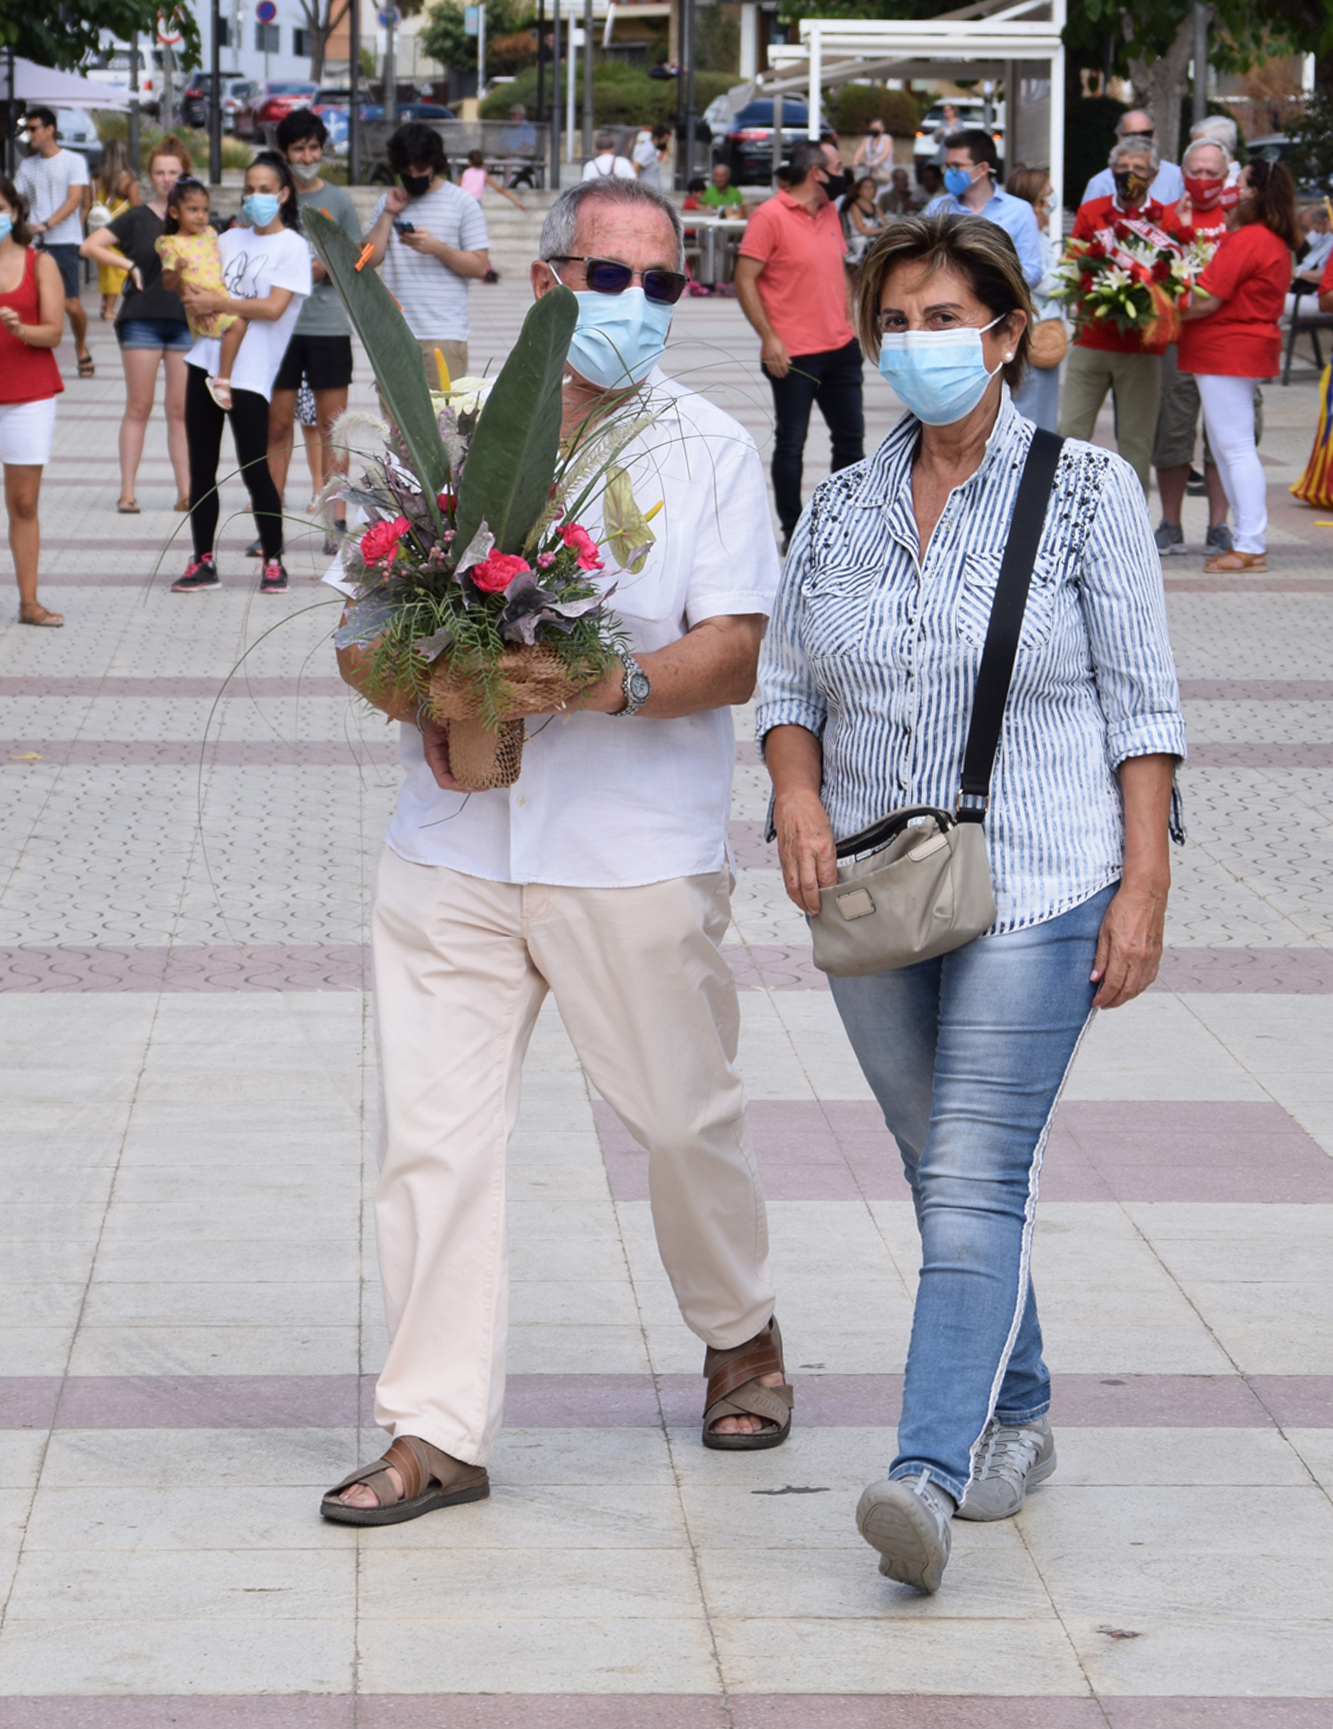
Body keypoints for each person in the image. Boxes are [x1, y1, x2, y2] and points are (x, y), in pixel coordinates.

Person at [321, 174, 791, 1527]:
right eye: (607, 277)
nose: (633, 305)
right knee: (432, 1144)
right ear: (544, 286)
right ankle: (436, 1429)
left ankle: (738, 1329)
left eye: (661, 284)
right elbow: (360, 628)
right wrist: (424, 693)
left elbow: (736, 647)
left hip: (630, 851)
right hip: (453, 849)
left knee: (679, 1121)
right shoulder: (442, 438)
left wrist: (598, 687)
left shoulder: (705, 444)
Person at [758, 209, 1184, 1594]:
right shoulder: (840, 500)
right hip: (877, 886)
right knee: (938, 1160)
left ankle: (925, 1474)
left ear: (1006, 333)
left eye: (948, 319)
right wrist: (797, 795)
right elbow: (785, 686)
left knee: (972, 1167)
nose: (918, 344)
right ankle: (1020, 1402)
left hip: (1047, 874)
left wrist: (1144, 890)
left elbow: (1145, 711)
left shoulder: (1087, 491)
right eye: (898, 320)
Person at [169, 151, 312, 596]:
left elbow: (272, 308)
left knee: (255, 469)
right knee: (202, 469)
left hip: (250, 375)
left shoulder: (292, 246)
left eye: (265, 189)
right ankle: (203, 560)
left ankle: (274, 560)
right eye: (249, 188)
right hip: (204, 364)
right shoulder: (227, 239)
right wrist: (187, 287)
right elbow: (194, 286)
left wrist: (219, 303)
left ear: (284, 194)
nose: (255, 197)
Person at [735, 139, 865, 548]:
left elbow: (838, 267)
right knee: (792, 443)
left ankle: (843, 523)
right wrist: (769, 338)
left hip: (841, 349)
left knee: (851, 441)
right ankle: (794, 531)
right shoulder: (768, 216)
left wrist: (850, 319)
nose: (845, 173)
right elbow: (744, 279)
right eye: (838, 165)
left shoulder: (829, 211)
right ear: (817, 173)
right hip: (792, 353)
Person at [1179, 157, 1300, 573]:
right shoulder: (1269, 238)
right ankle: (1247, 540)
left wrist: (1160, 307)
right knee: (1232, 448)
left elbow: (1207, 298)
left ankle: (1251, 543)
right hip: (1234, 349)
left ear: (1253, 192)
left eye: (1237, 181)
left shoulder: (1250, 239)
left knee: (1235, 449)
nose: (1229, 186)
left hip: (1227, 349)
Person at [80, 138, 194, 514]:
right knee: (138, 407)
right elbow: (90, 245)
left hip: (184, 323)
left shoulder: (195, 217)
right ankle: (127, 492)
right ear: (150, 176)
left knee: (179, 410)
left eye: (173, 173)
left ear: (185, 174)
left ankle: (187, 492)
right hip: (141, 320)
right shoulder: (137, 216)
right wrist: (128, 266)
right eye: (159, 172)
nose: (166, 179)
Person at [265, 111, 360, 547]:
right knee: (277, 426)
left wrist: (329, 266)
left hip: (326, 324)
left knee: (332, 426)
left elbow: (356, 256)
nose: (307, 157)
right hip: (277, 326)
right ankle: (270, 523)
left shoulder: (337, 200)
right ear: (284, 154)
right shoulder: (272, 199)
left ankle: (334, 521)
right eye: (299, 149)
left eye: (314, 148)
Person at [1058, 136, 1172, 494]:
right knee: (1070, 434)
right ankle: (1059, 515)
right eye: (1123, 168)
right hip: (1091, 339)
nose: (1130, 175)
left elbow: (1174, 279)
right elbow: (1071, 264)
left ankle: (1133, 529)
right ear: (1111, 171)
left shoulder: (1166, 219)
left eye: (1138, 169)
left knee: (1137, 443)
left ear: (1152, 176)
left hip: (1141, 347)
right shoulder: (1091, 211)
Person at [1151, 137, 1236, 555]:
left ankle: (1219, 525)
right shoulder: (1165, 217)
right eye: (1196, 172)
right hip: (1176, 342)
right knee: (1172, 431)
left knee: (1225, 436)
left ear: (1226, 175)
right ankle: (1171, 522)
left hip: (1226, 344)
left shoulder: (1237, 220)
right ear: (1183, 173)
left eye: (1212, 173)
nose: (1203, 180)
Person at [363, 121, 489, 389]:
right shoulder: (389, 203)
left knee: (441, 427)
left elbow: (479, 266)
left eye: (421, 169)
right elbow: (368, 259)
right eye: (406, 171)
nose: (414, 175)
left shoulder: (462, 202)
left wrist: (437, 248)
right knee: (393, 428)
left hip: (443, 335)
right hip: (394, 334)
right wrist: (388, 213)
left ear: (435, 163)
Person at [0, 175, 66, 626]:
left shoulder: (39, 262)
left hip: (28, 392)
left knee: (24, 503)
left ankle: (29, 602)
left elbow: (55, 332)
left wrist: (20, 329)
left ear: (16, 212)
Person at [155, 178, 249, 408]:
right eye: (193, 210)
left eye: (205, 210)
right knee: (238, 326)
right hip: (200, 305)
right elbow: (167, 283)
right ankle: (223, 380)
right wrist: (176, 271)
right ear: (175, 212)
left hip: (219, 299)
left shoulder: (209, 234)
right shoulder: (169, 243)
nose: (200, 215)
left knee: (232, 331)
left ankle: (219, 373)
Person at [16, 106, 93, 378]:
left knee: (71, 304)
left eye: (33, 128)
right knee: (32, 302)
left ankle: (82, 347)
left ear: (50, 129)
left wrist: (46, 224)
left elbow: (74, 201)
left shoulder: (73, 161)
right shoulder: (27, 165)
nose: (29, 134)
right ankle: (31, 353)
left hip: (64, 240)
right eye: (27, 129)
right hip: (35, 244)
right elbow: (15, 199)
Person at [924, 128, 1044, 287]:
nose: (949, 172)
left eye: (957, 165)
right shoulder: (937, 208)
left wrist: (993, 279)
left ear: (982, 169)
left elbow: (1033, 271)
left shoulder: (1019, 210)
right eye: (947, 166)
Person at [1003, 164, 1064, 431]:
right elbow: (1042, 281)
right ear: (1034, 201)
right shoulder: (1022, 238)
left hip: (1047, 337)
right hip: (1032, 337)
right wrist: (1074, 273)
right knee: (1029, 415)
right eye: (1047, 194)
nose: (1052, 200)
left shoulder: (1040, 236)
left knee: (1044, 413)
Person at [1081, 108, 1184, 207]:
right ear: (1119, 138)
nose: (1140, 141)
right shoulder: (1100, 184)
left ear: (1155, 134)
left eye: (1146, 134)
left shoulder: (1177, 178)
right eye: (1132, 135)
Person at [88, 138, 140, 319]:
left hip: (97, 232)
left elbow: (86, 206)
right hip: (119, 234)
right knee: (118, 271)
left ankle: (104, 305)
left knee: (105, 270)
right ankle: (109, 309)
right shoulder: (128, 181)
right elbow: (136, 208)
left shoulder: (94, 180)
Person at [459, 147, 526, 212]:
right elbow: (500, 189)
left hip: (464, 202)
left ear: (469, 162)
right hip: (475, 203)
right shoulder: (483, 174)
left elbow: (455, 187)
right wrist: (516, 202)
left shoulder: (465, 173)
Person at [843, 175, 887, 260]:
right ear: (859, 190)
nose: (869, 191)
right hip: (862, 241)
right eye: (866, 188)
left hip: (876, 239)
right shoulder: (854, 206)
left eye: (871, 188)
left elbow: (885, 222)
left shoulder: (875, 206)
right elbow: (861, 229)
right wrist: (881, 230)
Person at [852, 117, 894, 187]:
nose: (874, 130)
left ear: (882, 128)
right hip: (869, 172)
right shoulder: (867, 139)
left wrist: (874, 162)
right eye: (872, 128)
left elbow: (885, 153)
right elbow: (860, 150)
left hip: (882, 172)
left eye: (876, 128)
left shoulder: (887, 139)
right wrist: (855, 160)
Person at [633, 123, 673, 190]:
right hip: (647, 193)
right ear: (657, 137)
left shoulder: (652, 150)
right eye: (665, 140)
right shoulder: (647, 149)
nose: (666, 143)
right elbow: (635, 167)